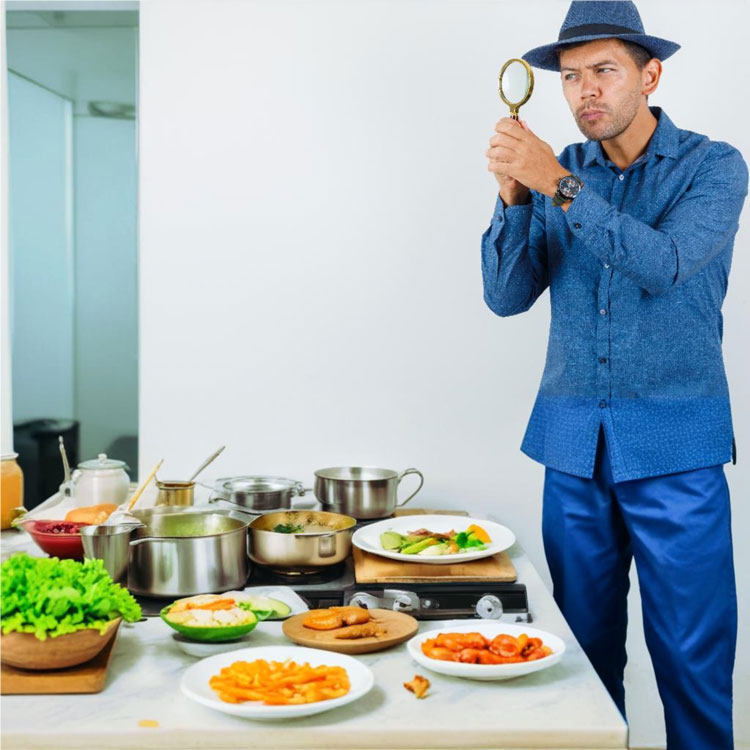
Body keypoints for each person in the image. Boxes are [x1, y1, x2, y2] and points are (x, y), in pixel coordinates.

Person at [481, 2, 748, 749]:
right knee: (582, 672)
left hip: (676, 451)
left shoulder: (713, 166)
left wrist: (556, 186)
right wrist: (513, 196)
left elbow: (661, 266)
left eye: (603, 71)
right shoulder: (557, 170)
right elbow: (506, 298)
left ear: (649, 74)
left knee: (693, 666)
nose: (584, 91)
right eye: (570, 77)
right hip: (571, 450)